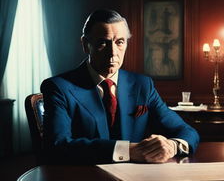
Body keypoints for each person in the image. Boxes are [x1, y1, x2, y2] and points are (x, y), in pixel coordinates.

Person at [41, 9, 199, 164]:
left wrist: (172, 145)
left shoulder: (142, 85)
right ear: (85, 44)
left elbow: (187, 132)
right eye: (103, 43)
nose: (113, 52)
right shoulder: (58, 87)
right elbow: (58, 146)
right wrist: (128, 151)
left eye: (120, 42)